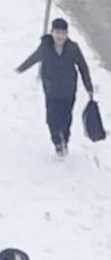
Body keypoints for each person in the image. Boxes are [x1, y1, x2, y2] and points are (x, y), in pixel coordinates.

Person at [16, 17, 93, 156]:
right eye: (57, 33)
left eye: (62, 33)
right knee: (51, 118)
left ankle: (65, 139)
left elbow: (83, 67)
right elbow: (35, 58)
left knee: (65, 118)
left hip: (68, 91)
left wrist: (89, 87)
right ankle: (57, 141)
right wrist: (21, 69)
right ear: (52, 33)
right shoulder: (45, 47)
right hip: (51, 90)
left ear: (67, 34)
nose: (59, 36)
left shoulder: (73, 48)